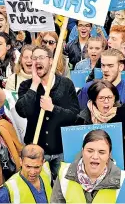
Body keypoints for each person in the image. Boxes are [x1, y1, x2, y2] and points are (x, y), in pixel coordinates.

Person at [15, 46, 80, 180]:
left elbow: (75, 116)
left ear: (51, 61)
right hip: (36, 149)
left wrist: (53, 108)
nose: (37, 61)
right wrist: (34, 85)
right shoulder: (26, 86)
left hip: (60, 150)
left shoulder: (66, 84)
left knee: (60, 187)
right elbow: (22, 111)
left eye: (41, 57)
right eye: (34, 58)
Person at [76, 60, 125, 171]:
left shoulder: (119, 113)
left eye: (109, 98)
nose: (106, 102)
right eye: (101, 98)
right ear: (94, 100)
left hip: (114, 166)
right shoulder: (83, 117)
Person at [51, 130, 125, 203]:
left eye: (101, 152)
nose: (95, 156)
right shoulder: (64, 174)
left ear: (109, 155)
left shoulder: (124, 181)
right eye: (90, 151)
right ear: (82, 152)